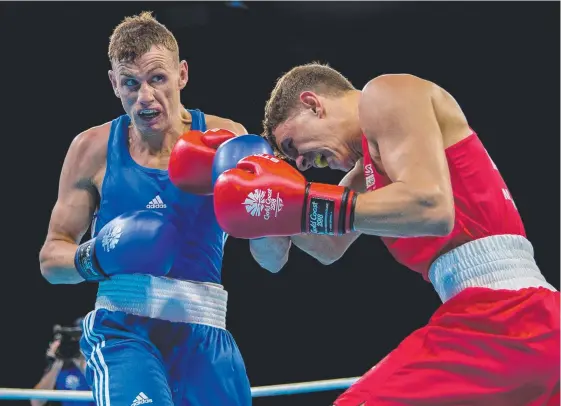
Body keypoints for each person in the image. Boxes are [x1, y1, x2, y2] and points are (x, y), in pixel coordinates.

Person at [212, 63, 560, 405]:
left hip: (507, 316)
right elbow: (326, 247)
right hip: (519, 321)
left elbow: (431, 207)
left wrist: (304, 202)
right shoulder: (371, 170)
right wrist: (259, 206)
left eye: (291, 146)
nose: (300, 163)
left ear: (313, 104)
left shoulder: (386, 93)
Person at [39, 12, 272, 406]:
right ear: (114, 84)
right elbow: (50, 259)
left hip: (205, 332)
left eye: (157, 79)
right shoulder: (91, 149)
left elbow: (269, 258)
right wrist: (100, 254)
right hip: (122, 330)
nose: (145, 96)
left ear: (182, 75)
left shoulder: (226, 139)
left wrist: (265, 213)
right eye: (130, 83)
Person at [31, 319, 95, 406]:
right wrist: (57, 360)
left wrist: (82, 362)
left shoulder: (98, 365)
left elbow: (105, 393)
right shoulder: (54, 369)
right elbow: (36, 402)